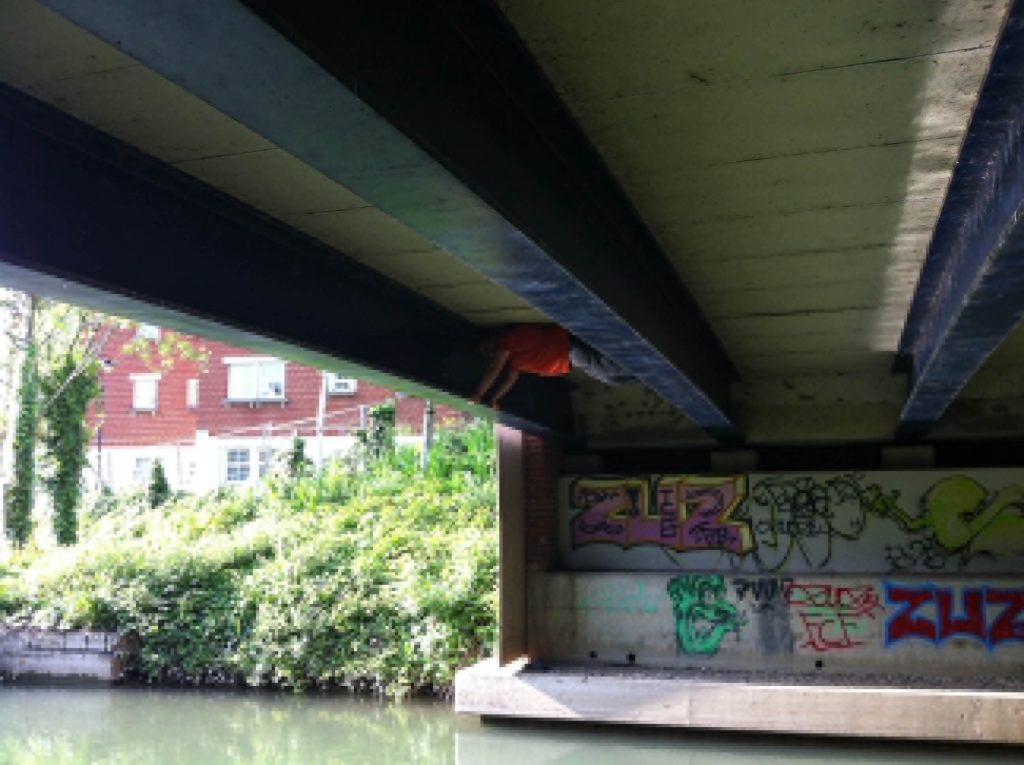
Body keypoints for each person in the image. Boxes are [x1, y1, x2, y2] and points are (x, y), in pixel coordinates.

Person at [470, 324, 636, 408]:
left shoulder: (510, 339)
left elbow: (495, 368)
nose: (490, 351)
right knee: (611, 379)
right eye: (487, 352)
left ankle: (645, 367)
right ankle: (644, 375)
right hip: (568, 359)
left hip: (568, 349)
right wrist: (495, 398)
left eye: (487, 346)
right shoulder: (515, 359)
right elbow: (509, 379)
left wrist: (478, 393)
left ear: (492, 337)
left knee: (610, 371)